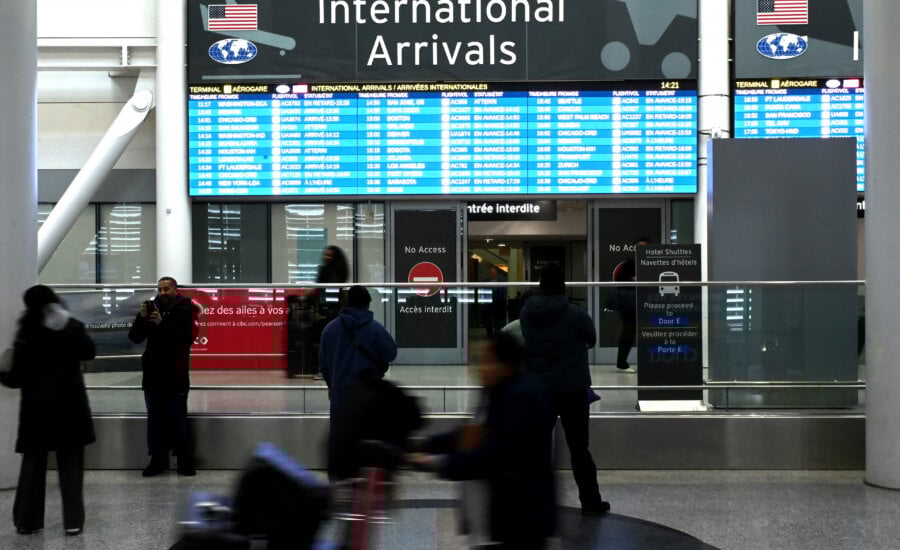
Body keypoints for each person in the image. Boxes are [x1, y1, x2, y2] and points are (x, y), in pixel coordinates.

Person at [409, 332, 556, 549]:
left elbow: (493, 455)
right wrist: (421, 444)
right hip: (497, 518)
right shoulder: (497, 392)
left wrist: (435, 463)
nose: (479, 367)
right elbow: (469, 435)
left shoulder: (521, 397)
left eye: (486, 360)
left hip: (520, 520)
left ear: (505, 363)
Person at [2, 285, 96, 536]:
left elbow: (15, 378)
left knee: (32, 467)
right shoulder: (72, 326)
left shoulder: (27, 332)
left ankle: (27, 521)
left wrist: (3, 369)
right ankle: (73, 522)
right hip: (70, 408)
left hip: (37, 410)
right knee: (71, 468)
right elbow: (90, 352)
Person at [519, 261, 610, 516]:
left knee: (536, 449)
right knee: (579, 448)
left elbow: (528, 338)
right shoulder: (575, 313)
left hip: (539, 389)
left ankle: (533, 502)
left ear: (540, 283)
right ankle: (591, 502)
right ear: (563, 283)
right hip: (572, 389)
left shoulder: (527, 312)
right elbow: (591, 339)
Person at [128, 276, 200, 477]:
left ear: (175, 290)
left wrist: (162, 323)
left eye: (166, 289)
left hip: (175, 373)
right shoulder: (151, 308)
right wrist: (142, 319)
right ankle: (157, 459)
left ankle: (184, 459)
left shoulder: (186, 308)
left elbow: (185, 338)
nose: (162, 293)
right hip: (153, 373)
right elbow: (134, 337)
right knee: (155, 419)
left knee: (177, 418)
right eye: (160, 289)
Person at [318, 285, 397, 403]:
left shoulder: (330, 329)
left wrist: (332, 385)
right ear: (368, 304)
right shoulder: (375, 328)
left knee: (342, 421)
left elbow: (323, 365)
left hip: (340, 395)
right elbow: (390, 354)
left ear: (348, 303)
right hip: (369, 394)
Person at [612, 238, 649, 371]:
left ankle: (647, 361)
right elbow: (621, 280)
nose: (641, 250)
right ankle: (621, 362)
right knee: (628, 333)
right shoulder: (630, 263)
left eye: (644, 247)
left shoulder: (651, 263)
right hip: (630, 305)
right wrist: (634, 279)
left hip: (646, 302)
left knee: (647, 333)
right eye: (639, 247)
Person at [480, 266, 507, 337]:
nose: (492, 274)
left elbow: (504, 293)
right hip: (488, 305)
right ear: (489, 274)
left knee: (498, 322)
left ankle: (496, 335)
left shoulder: (501, 283)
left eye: (494, 273)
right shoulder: (484, 282)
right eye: (491, 272)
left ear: (496, 274)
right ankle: (489, 335)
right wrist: (483, 305)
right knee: (488, 322)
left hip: (499, 305)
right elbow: (482, 293)